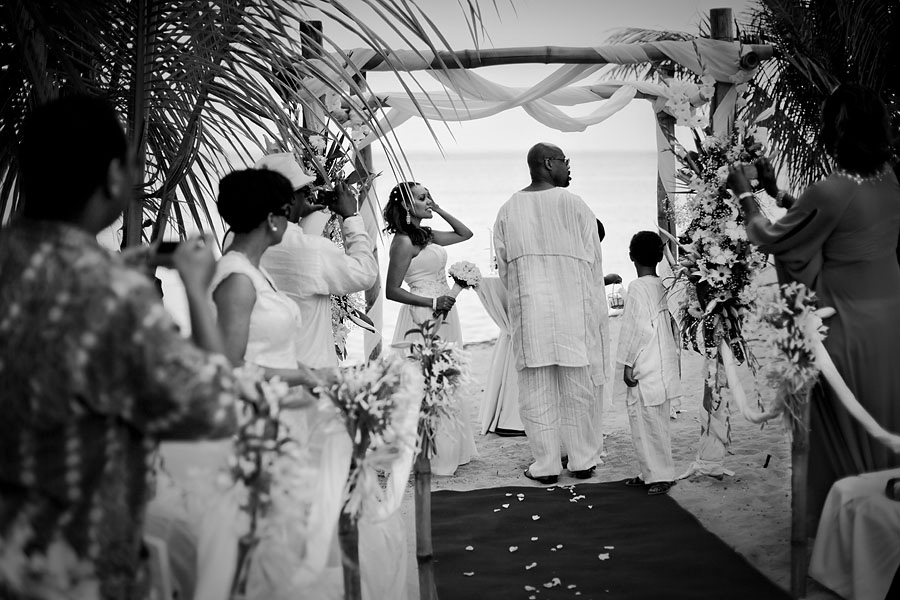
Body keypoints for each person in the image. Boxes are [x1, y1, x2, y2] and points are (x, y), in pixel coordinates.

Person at [0, 95, 238, 600]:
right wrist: (196, 290)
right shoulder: (114, 296)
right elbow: (214, 410)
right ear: (113, 178)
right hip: (73, 570)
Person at [727, 83, 900, 525]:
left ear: (836, 132)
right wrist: (777, 192)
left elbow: (773, 238)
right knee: (882, 413)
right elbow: (822, 219)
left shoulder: (833, 189)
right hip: (888, 324)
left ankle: (853, 530)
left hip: (843, 328)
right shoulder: (889, 177)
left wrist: (746, 194)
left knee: (839, 426)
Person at [493, 143, 616, 485]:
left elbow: (504, 269)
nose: (568, 167)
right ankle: (582, 460)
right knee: (578, 391)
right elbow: (594, 263)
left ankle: (546, 464)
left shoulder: (508, 209)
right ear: (549, 163)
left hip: (531, 315)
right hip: (573, 314)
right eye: (565, 161)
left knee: (536, 393)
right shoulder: (576, 205)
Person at [383, 181, 477, 476]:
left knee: (447, 377)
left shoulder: (426, 235)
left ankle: (447, 448)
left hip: (447, 310)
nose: (429, 201)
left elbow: (465, 233)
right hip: (422, 312)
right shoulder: (402, 241)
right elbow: (391, 290)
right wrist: (432, 300)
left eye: (429, 197)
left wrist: (437, 208)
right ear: (407, 205)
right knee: (423, 381)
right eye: (423, 198)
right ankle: (422, 453)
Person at [253, 152, 378, 369]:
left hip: (265, 370)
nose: (310, 196)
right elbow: (365, 273)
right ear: (292, 198)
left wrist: (309, 216)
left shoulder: (241, 242)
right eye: (305, 192)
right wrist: (351, 217)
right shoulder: (311, 250)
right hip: (311, 373)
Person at [617, 231, 682, 496]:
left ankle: (659, 474)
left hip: (645, 359)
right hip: (664, 358)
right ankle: (652, 472)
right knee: (658, 420)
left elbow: (636, 329)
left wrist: (628, 363)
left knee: (644, 419)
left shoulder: (637, 287)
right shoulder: (664, 284)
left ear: (632, 257)